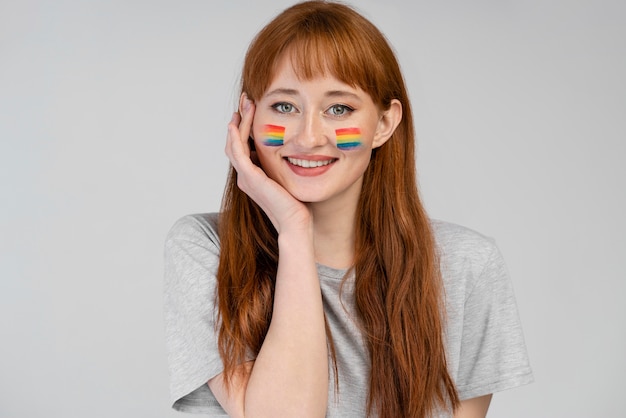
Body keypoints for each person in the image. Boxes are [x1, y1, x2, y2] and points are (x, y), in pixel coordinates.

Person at [164, 1, 533, 417]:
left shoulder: (465, 266)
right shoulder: (207, 249)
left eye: (339, 108)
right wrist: (293, 227)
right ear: (247, 118)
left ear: (384, 123)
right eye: (284, 106)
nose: (308, 137)